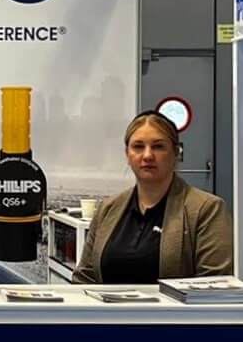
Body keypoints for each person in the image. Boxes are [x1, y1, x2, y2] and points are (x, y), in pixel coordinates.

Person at [71, 110, 232, 285]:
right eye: (138, 147)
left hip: (174, 305)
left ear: (176, 153)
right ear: (127, 155)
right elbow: (85, 277)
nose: (147, 155)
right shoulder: (108, 209)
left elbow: (214, 286)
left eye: (158, 146)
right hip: (105, 304)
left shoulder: (206, 210)